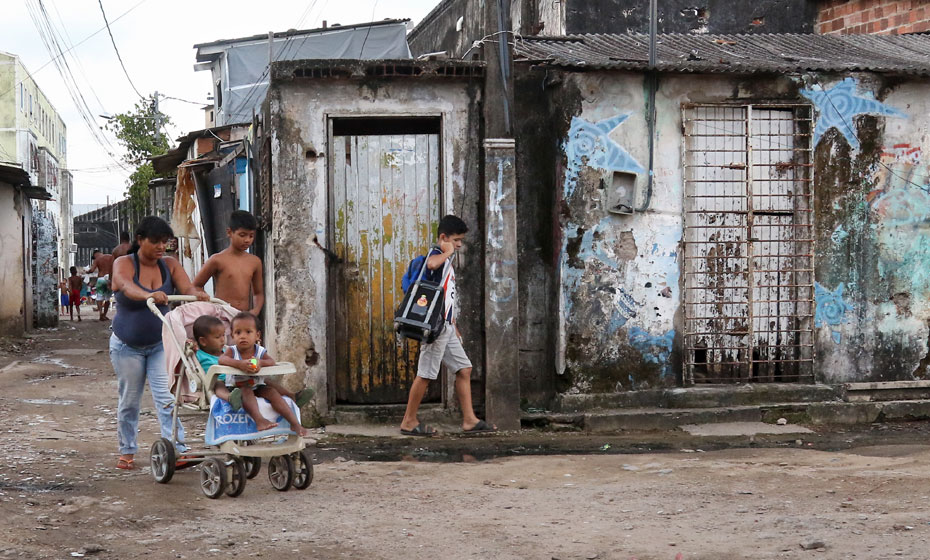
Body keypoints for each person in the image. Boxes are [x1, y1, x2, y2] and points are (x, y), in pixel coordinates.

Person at [109, 216, 209, 471]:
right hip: (126, 345)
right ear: (140, 240)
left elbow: (187, 288)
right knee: (130, 400)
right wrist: (148, 295)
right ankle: (127, 450)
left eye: (164, 242)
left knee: (167, 397)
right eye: (155, 241)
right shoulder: (123, 263)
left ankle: (179, 448)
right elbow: (126, 286)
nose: (160, 247)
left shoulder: (170, 265)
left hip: (161, 344)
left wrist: (197, 294)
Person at [399, 215, 498, 437]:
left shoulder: (446, 259)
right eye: (456, 240)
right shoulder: (437, 254)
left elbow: (446, 296)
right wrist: (447, 251)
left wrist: (454, 324)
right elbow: (432, 263)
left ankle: (470, 420)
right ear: (443, 237)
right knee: (425, 374)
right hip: (434, 328)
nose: (459, 244)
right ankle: (409, 421)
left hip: (446, 326)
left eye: (460, 240)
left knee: (464, 369)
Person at [213, 312, 309, 436]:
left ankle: (294, 423)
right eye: (238, 333)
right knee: (246, 391)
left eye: (248, 332)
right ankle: (260, 420)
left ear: (257, 335)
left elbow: (271, 362)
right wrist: (239, 364)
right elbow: (222, 360)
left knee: (272, 391)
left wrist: (260, 363)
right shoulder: (232, 351)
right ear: (232, 335)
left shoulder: (260, 351)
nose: (243, 336)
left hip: (257, 385)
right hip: (237, 387)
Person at [193, 211, 264, 315]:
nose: (247, 240)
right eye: (242, 235)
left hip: (243, 317)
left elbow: (258, 293)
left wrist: (255, 311)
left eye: (251, 236)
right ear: (229, 232)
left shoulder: (255, 262)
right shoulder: (217, 260)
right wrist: (207, 301)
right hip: (222, 315)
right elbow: (196, 285)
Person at [87, 250, 115, 320]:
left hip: (101, 279)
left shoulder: (97, 259)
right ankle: (104, 314)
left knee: (99, 298)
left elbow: (92, 270)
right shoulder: (110, 257)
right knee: (107, 299)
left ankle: (100, 314)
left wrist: (87, 271)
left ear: (95, 254)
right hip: (109, 278)